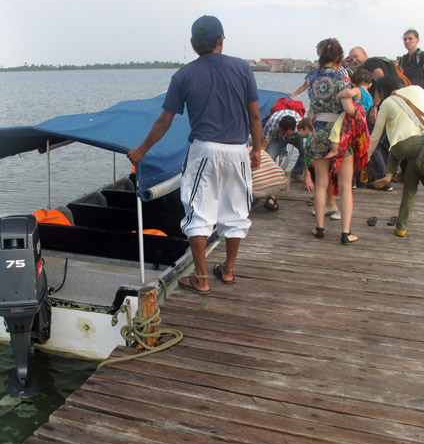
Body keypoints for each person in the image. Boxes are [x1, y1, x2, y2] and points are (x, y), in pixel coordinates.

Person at [127, 15, 262, 294]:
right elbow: (255, 115)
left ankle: (201, 278)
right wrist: (257, 149)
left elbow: (165, 121)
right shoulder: (242, 69)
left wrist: (141, 150)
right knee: (236, 211)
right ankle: (228, 271)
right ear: (221, 40)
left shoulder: (183, 75)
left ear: (192, 44)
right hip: (237, 150)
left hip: (204, 151)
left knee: (198, 213)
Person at [305, 38, 363, 244]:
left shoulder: (312, 79)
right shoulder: (342, 79)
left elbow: (312, 108)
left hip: (319, 131)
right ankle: (346, 232)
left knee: (321, 183)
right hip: (340, 134)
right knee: (345, 185)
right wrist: (358, 111)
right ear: (339, 57)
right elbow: (348, 109)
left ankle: (319, 228)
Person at [369, 76, 424, 236]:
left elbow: (375, 137)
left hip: (402, 148)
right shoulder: (418, 89)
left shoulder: (387, 103)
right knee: (410, 188)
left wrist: (364, 159)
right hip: (423, 144)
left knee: (396, 146)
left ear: (382, 91)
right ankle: (401, 227)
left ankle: (388, 175)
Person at [261, 109, 304, 211]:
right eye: (283, 132)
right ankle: (270, 186)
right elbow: (263, 146)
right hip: (276, 138)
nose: (285, 135)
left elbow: (307, 151)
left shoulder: (300, 127)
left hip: (296, 138)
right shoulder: (272, 124)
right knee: (269, 157)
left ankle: (297, 172)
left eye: (288, 133)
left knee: (304, 153)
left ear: (294, 129)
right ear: (279, 127)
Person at [398, 28, 424, 96]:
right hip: (407, 95)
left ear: (417, 40)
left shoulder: (423, 56)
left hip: (420, 95)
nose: (407, 41)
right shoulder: (403, 59)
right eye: (405, 39)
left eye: (410, 39)